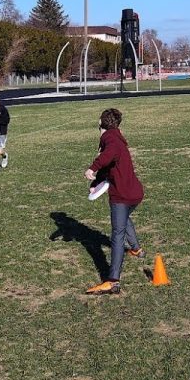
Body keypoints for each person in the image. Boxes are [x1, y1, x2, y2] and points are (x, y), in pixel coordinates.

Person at [83, 108, 144, 295]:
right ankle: (136, 250)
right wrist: (96, 182)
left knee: (117, 235)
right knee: (124, 219)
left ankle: (113, 281)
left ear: (101, 122)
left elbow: (109, 155)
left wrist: (92, 169)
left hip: (122, 195)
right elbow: (111, 164)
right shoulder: (115, 135)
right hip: (135, 192)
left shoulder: (110, 139)